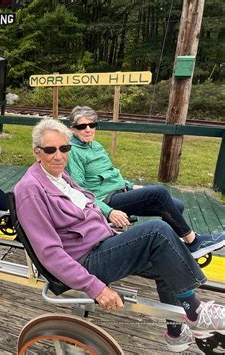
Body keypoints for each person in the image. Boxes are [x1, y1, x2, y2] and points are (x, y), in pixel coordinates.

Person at [14, 118, 225, 353]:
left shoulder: (60, 177)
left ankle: (175, 333)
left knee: (167, 259)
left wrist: (113, 229)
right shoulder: (30, 190)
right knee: (158, 231)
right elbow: (49, 253)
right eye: (50, 150)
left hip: (103, 243)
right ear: (37, 152)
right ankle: (196, 312)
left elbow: (88, 205)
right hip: (84, 260)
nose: (59, 155)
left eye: (64, 148)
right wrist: (95, 288)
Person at [66, 105, 225, 259]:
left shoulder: (96, 146)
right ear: (73, 129)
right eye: (82, 126)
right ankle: (194, 242)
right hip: (105, 200)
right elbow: (80, 191)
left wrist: (130, 185)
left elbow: (109, 173)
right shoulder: (73, 152)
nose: (88, 129)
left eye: (92, 125)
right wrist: (109, 211)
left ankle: (172, 246)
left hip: (121, 192)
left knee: (176, 205)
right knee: (159, 193)